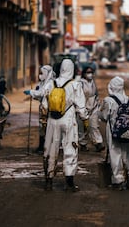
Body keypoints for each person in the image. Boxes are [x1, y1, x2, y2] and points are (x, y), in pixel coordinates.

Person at [41, 59, 89, 192]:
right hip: (68, 120)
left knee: (51, 149)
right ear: (72, 69)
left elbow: (44, 105)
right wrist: (85, 120)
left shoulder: (51, 83)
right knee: (70, 148)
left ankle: (49, 181)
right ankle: (69, 183)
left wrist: (44, 120)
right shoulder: (75, 85)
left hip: (52, 120)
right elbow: (81, 105)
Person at [99, 76, 129, 190]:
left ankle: (118, 179)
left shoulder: (108, 100)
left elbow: (104, 116)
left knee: (115, 154)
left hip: (113, 131)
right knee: (127, 153)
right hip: (127, 131)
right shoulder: (128, 100)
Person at [23, 65, 56, 153]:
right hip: (43, 107)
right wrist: (34, 92)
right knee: (42, 127)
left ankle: (47, 147)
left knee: (46, 127)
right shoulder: (43, 83)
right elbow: (39, 94)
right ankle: (42, 146)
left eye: (42, 73)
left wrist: (31, 92)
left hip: (49, 108)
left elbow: (41, 93)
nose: (40, 75)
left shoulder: (50, 83)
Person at [79, 66, 105, 152]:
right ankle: (83, 143)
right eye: (88, 72)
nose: (90, 74)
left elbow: (96, 95)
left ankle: (98, 143)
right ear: (84, 74)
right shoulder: (80, 83)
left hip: (93, 107)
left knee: (94, 126)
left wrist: (97, 105)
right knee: (82, 127)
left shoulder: (93, 83)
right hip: (83, 108)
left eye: (91, 72)